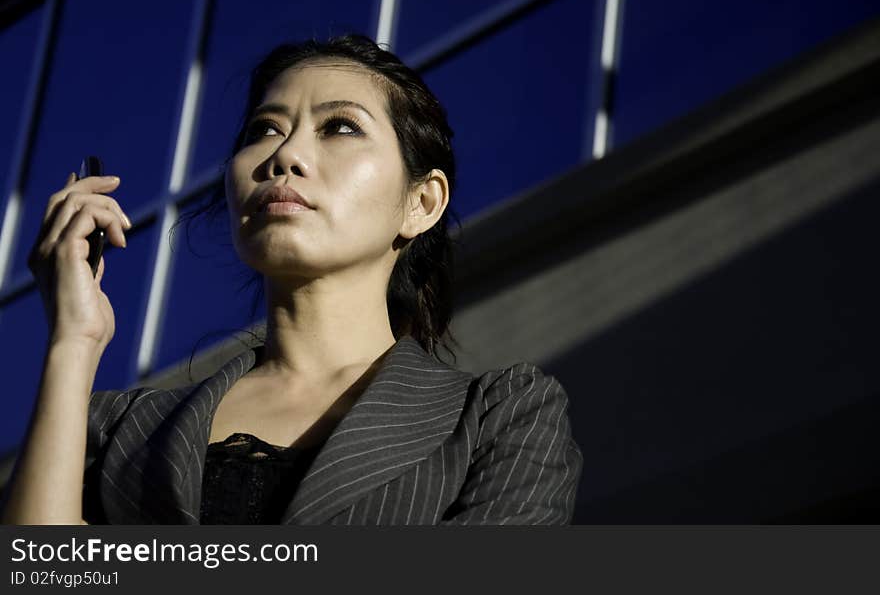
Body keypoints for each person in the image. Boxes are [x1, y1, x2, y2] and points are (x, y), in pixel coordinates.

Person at [0, 34, 583, 525]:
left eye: (341, 128)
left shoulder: (498, 416)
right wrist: (72, 342)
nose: (286, 155)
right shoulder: (114, 428)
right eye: (264, 129)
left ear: (422, 202)